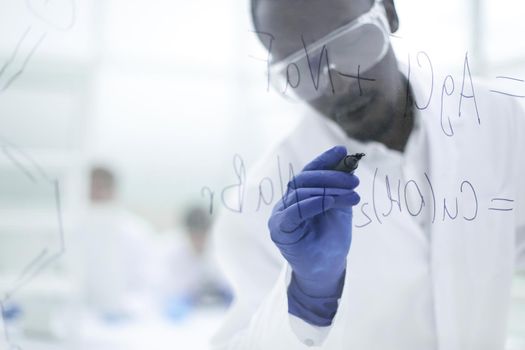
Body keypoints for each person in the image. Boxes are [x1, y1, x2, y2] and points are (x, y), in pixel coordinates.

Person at [210, 0, 525, 349]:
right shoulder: (257, 206)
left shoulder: (503, 120)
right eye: (304, 68)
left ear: (388, 13)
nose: (339, 85)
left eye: (351, 43)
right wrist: (307, 305)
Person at [75, 166, 156, 319]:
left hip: (123, 321)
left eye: (101, 188)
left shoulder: (137, 232)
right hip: (79, 317)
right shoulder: (71, 229)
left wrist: (123, 308)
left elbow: (147, 287)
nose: (95, 194)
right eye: (91, 188)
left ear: (113, 191)